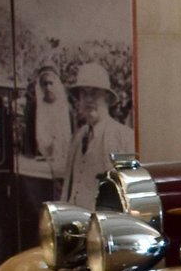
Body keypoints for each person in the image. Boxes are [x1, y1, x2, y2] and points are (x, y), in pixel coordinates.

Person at [57, 62, 136, 208]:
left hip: (106, 226)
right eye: (83, 93)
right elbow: (69, 185)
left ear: (106, 97)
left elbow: (131, 194)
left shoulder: (123, 136)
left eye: (94, 92)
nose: (88, 99)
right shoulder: (78, 137)